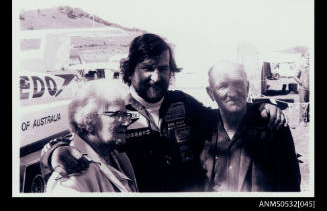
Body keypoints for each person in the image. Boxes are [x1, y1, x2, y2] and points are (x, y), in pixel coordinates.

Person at [40, 33, 287, 192]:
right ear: (130, 69)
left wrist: (261, 106)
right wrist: (53, 152)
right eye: (147, 68)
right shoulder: (115, 109)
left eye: (163, 68)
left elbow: (224, 115)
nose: (156, 77)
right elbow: (80, 137)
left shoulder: (184, 104)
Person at [200, 61, 301, 192]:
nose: (233, 93)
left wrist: (264, 105)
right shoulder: (201, 128)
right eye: (222, 86)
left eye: (238, 84)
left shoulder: (273, 127)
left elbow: (290, 187)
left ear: (247, 87)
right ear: (210, 93)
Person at [45, 79, 138, 193]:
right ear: (89, 122)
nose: (126, 122)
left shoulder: (116, 156)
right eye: (117, 114)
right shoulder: (71, 177)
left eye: (125, 115)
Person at [294, 52, 310, 126]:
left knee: (309, 104)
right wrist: (301, 83)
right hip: (302, 88)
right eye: (307, 58)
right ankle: (302, 120)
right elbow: (295, 76)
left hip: (310, 88)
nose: (309, 59)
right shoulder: (301, 66)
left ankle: (307, 118)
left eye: (310, 58)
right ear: (304, 58)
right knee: (303, 104)